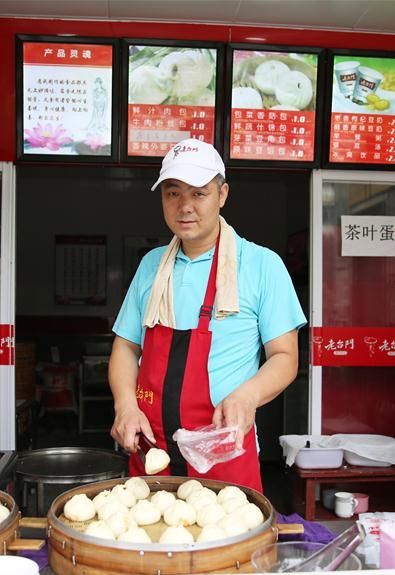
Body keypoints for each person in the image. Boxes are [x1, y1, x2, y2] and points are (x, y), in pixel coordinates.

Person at [109, 138, 306, 492]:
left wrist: (247, 396)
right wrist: (125, 406)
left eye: (198, 193)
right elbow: (125, 347)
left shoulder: (262, 265)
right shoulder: (151, 266)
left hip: (224, 453)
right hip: (152, 451)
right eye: (173, 193)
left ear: (223, 194)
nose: (185, 206)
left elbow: (285, 357)